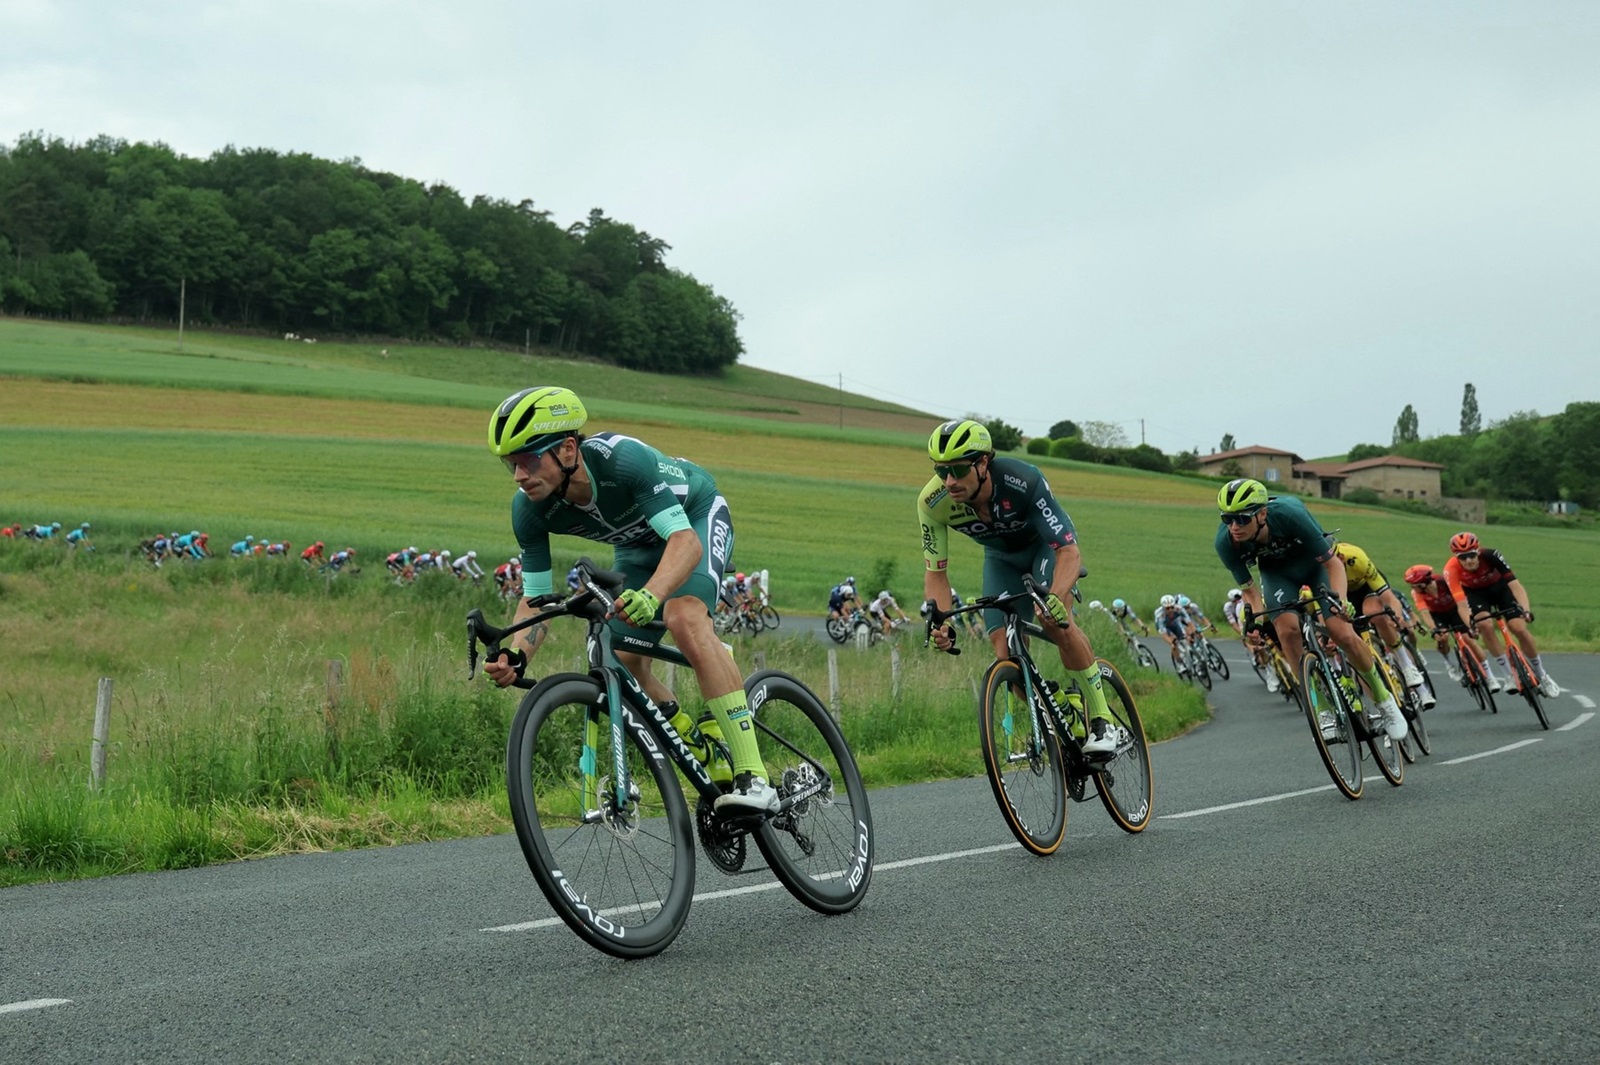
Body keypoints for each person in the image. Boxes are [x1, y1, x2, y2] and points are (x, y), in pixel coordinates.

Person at [481, 385, 778, 813]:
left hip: (693, 517)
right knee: (623, 658)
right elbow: (537, 598)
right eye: (510, 465)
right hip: (637, 549)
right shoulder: (529, 510)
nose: (518, 476)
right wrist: (516, 653)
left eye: (527, 461)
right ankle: (698, 743)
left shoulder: (621, 461)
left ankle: (754, 778)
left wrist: (653, 595)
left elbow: (685, 543)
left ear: (567, 450)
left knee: (683, 616)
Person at [919, 419, 1121, 756]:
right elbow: (936, 574)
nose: (950, 481)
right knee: (1005, 653)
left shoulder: (1022, 480)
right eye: (941, 472)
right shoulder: (932, 503)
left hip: (1044, 548)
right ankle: (1059, 705)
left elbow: (1068, 551)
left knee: (1053, 620)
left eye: (956, 469)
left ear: (983, 463)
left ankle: (1101, 717)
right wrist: (943, 622)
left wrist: (1055, 598)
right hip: (1001, 559)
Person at [1215, 478, 1406, 741]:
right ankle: (1322, 709)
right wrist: (1255, 624)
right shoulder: (1226, 543)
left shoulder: (1291, 513)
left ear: (1262, 514)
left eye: (1242, 519)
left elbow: (1334, 566)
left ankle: (1385, 702)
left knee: (1342, 632)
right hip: (1277, 574)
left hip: (1316, 565)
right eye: (1227, 519)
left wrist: (1339, 601)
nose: (1234, 527)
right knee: (1286, 630)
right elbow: (1250, 593)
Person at [1442, 532, 1559, 696]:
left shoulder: (1491, 555)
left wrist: (1525, 610)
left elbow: (1515, 585)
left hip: (1500, 589)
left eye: (1471, 555)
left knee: (1518, 627)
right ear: (1456, 557)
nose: (1468, 561)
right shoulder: (1450, 569)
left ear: (1478, 550)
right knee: (1484, 624)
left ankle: (1542, 675)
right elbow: (1461, 604)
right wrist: (1471, 626)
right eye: (1463, 557)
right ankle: (1508, 675)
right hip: (1476, 594)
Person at [1333, 540, 1435, 708]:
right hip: (1344, 600)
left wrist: (1396, 616)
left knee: (1375, 614)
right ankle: (1384, 708)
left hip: (1366, 589)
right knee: (1355, 655)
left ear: (1342, 558)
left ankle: (1406, 665)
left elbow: (1388, 597)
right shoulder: (1320, 573)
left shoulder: (1356, 558)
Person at [1404, 564, 1500, 690]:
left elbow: (1462, 600)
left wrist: (1469, 619)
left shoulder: (1444, 583)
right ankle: (1449, 663)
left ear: (1423, 583)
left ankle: (1490, 677)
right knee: (1443, 637)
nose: (1412, 588)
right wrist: (1434, 630)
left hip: (1455, 611)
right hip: (1437, 616)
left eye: (1414, 585)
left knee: (1468, 639)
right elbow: (1425, 613)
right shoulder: (1416, 594)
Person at [1152, 594, 1199, 671]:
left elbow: (1189, 623)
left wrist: (1193, 632)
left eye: (1172, 607)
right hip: (1164, 627)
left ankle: (1191, 654)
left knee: (1186, 636)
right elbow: (1164, 634)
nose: (1170, 610)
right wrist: (1171, 643)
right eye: (1167, 608)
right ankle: (1180, 665)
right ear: (1163, 608)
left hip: (1174, 623)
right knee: (1174, 643)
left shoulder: (1179, 609)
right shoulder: (1159, 615)